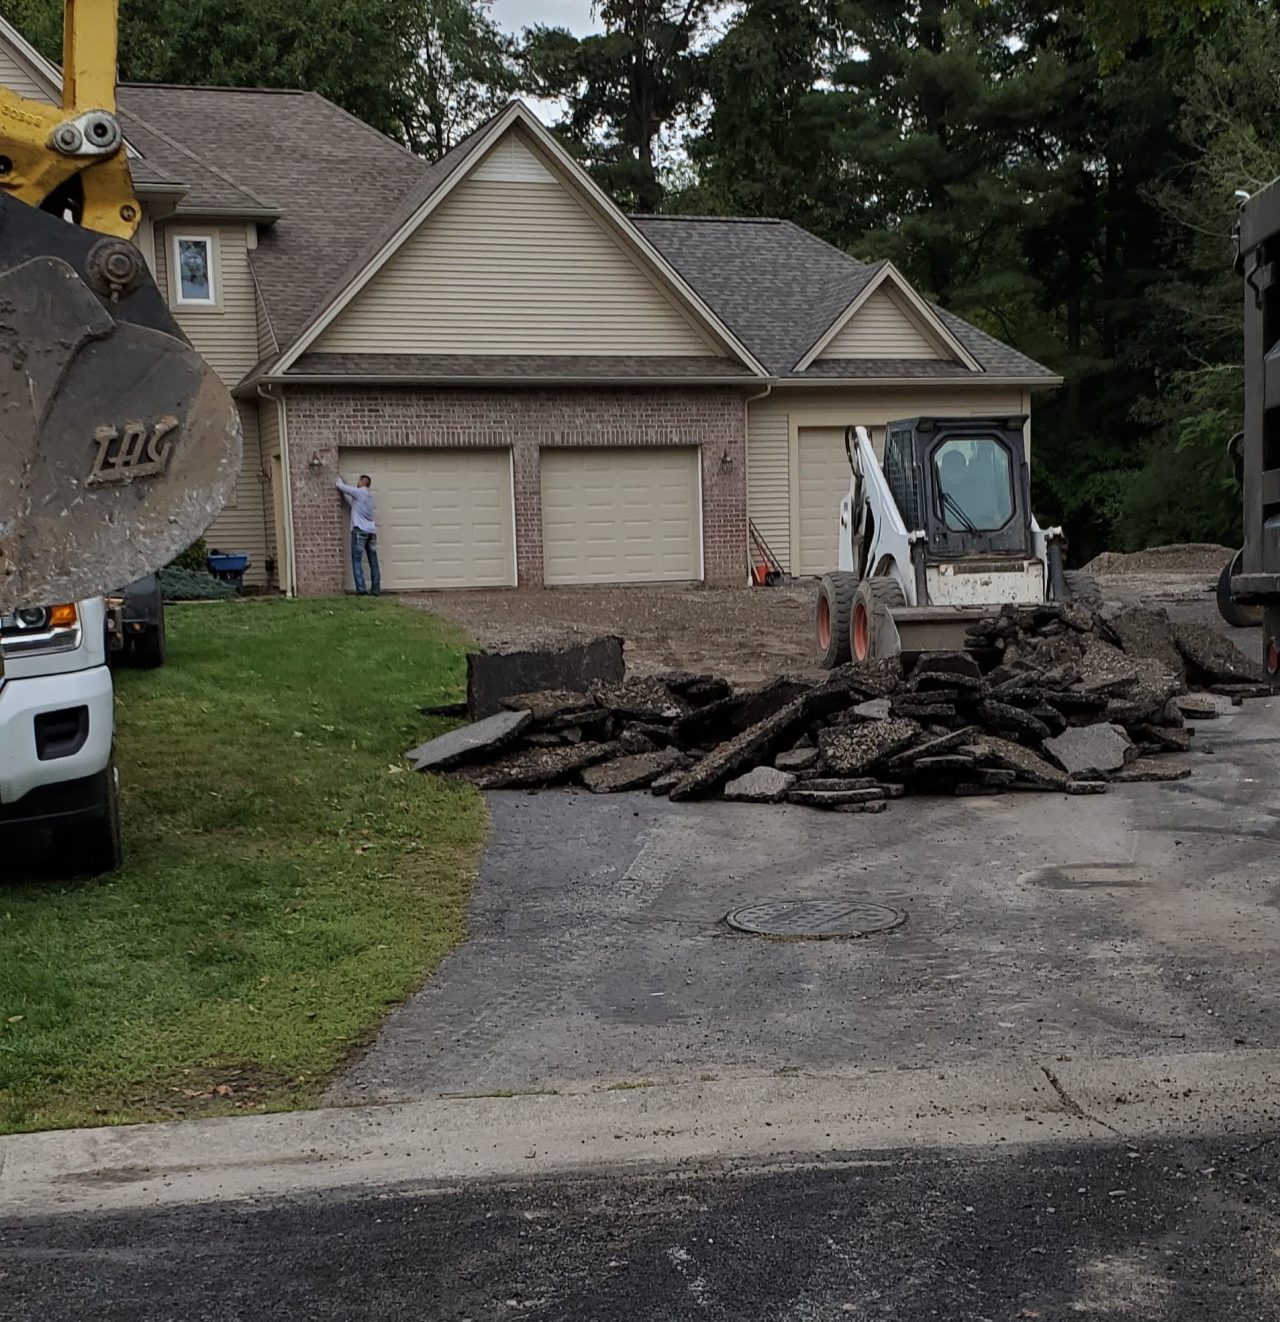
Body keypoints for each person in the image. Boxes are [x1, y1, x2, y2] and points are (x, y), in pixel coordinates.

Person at [336, 473, 381, 595]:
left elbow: (342, 487)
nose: (357, 482)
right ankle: (376, 589)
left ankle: (361, 589)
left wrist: (339, 479)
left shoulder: (359, 492)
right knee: (373, 562)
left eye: (359, 481)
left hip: (359, 531)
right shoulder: (369, 497)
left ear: (362, 482)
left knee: (356, 560)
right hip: (371, 532)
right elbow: (351, 502)